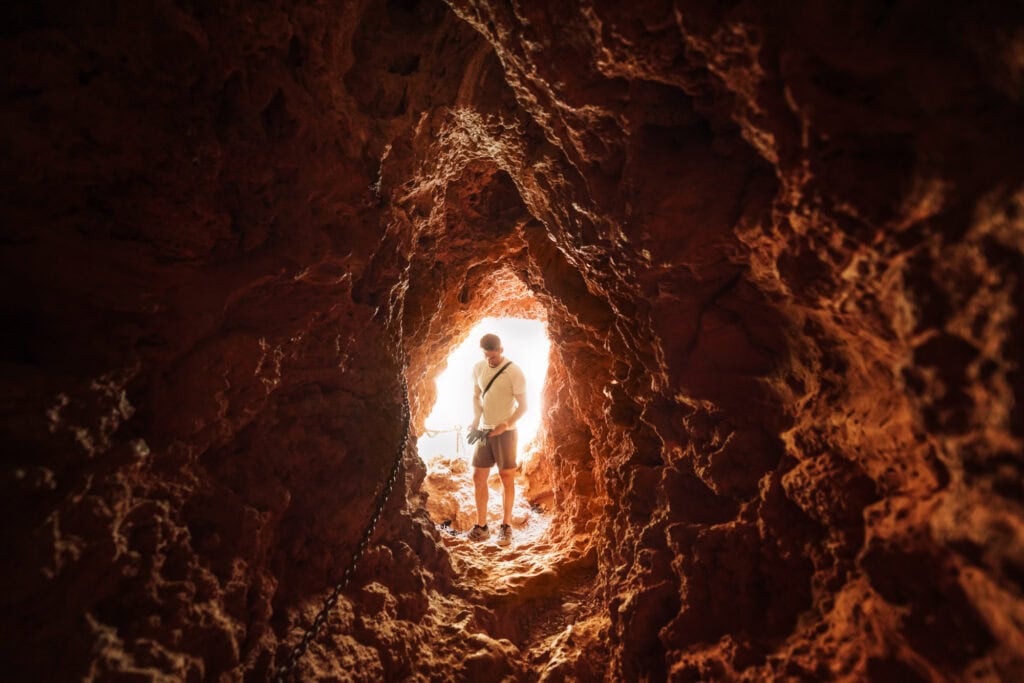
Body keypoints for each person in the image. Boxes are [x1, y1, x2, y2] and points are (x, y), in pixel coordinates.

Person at [467, 333, 527, 546]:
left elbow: (524, 406)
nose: (489, 360)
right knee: (478, 476)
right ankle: (481, 527)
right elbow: (476, 395)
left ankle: (506, 527)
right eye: (486, 356)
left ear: (501, 350)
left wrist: (506, 425)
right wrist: (476, 418)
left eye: (493, 356)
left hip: (506, 433)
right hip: (484, 431)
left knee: (506, 476)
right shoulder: (478, 368)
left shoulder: (514, 371)